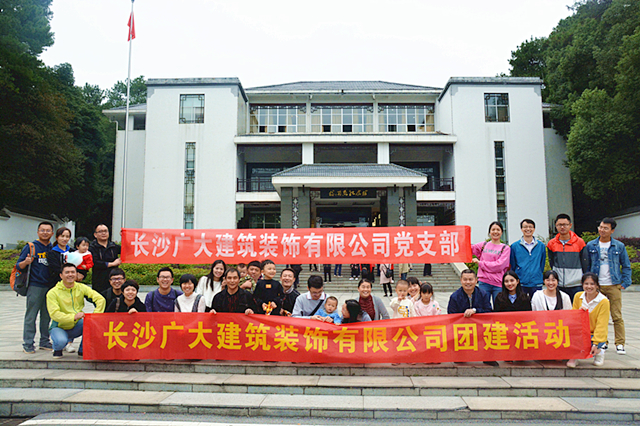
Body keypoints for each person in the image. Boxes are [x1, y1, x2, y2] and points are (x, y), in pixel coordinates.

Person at [586, 217, 632, 355]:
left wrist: (625, 282)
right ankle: (602, 342)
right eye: (600, 227)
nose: (602, 230)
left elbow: (626, 265)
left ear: (612, 230)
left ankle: (620, 343)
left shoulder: (619, 246)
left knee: (616, 316)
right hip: (597, 286)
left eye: (606, 228)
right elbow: (587, 265)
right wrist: (588, 283)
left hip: (613, 285)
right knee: (599, 316)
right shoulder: (591, 245)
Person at [47, 263, 105, 358]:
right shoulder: (53, 293)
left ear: (76, 274)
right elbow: (54, 314)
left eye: (72, 272)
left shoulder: (81, 287)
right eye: (67, 272)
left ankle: (83, 350)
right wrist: (73, 317)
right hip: (59, 326)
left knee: (92, 324)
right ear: (61, 275)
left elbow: (100, 299)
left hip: (76, 325)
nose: (70, 274)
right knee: (61, 341)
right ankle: (57, 348)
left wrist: (95, 316)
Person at [17, 221, 54, 353]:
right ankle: (28, 344)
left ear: (52, 233)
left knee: (47, 316)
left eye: (48, 230)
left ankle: (44, 341)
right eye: (42, 230)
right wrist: (26, 262)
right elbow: (18, 265)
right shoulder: (31, 247)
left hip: (50, 287)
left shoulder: (53, 248)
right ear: (38, 232)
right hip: (35, 286)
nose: (45, 233)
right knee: (31, 316)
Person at [566, 273, 610, 368]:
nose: (589, 287)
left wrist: (596, 343)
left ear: (597, 285)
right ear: (582, 284)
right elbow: (573, 319)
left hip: (593, 334)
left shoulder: (604, 301)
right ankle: (575, 356)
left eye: (592, 284)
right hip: (580, 333)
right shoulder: (578, 296)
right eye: (586, 284)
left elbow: (601, 325)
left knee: (593, 345)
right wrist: (579, 313)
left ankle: (600, 351)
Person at [547, 213, 588, 301]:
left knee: (577, 307)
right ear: (556, 226)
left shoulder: (579, 242)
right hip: (559, 284)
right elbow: (551, 261)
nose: (562, 227)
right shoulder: (551, 243)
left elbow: (584, 262)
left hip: (576, 284)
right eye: (559, 225)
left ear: (570, 225)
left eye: (565, 224)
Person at [471, 221, 511, 305]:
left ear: (502, 232)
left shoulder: (505, 248)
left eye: (498, 230)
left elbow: (499, 266)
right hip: (484, 282)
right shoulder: (483, 245)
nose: (495, 232)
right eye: (493, 230)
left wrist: (480, 263)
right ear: (489, 232)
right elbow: (468, 249)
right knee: (483, 307)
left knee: (499, 307)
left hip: (498, 283)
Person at [510, 219, 546, 298]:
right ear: (521, 229)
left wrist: (538, 273)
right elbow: (513, 264)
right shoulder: (515, 246)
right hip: (521, 281)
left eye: (530, 227)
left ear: (534, 229)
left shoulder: (541, 246)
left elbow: (542, 263)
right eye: (525, 227)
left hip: (536, 282)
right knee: (521, 303)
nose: (528, 229)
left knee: (537, 303)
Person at [89, 224, 122, 294]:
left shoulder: (113, 246)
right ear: (95, 235)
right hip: (99, 281)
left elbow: (127, 250)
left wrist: (124, 237)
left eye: (105, 231)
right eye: (100, 231)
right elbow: (95, 263)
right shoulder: (92, 248)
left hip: (114, 281)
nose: (103, 233)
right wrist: (112, 264)